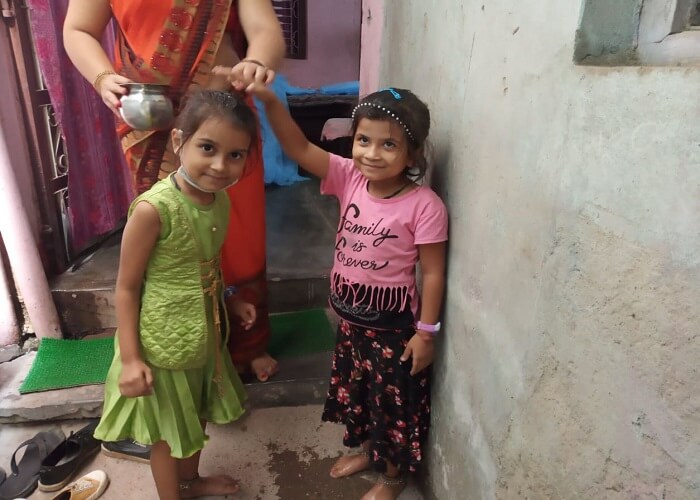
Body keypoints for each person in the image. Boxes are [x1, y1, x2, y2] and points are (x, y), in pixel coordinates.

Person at [242, 81, 448, 500]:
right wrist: (269, 101)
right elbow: (299, 147)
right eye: (363, 140)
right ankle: (370, 453)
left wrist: (426, 334)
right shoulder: (349, 177)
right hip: (351, 323)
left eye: (388, 145)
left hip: (393, 332)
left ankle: (392, 478)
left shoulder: (425, 206)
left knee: (390, 405)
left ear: (412, 154)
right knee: (361, 395)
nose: (371, 153)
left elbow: (432, 273)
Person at [63, 0, 285, 383]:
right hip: (148, 117)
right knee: (170, 235)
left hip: (223, 111)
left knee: (239, 234)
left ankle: (247, 343)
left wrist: (257, 62)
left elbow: (264, 29)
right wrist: (102, 77)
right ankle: (170, 344)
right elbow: (78, 29)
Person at [94, 89, 258, 499]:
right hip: (161, 342)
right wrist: (132, 359)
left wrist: (230, 297)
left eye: (235, 155)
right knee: (168, 433)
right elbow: (126, 288)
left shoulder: (219, 200)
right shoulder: (153, 210)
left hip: (205, 334)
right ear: (178, 141)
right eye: (208, 148)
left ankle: (190, 481)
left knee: (197, 411)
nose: (220, 165)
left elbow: (208, 263)